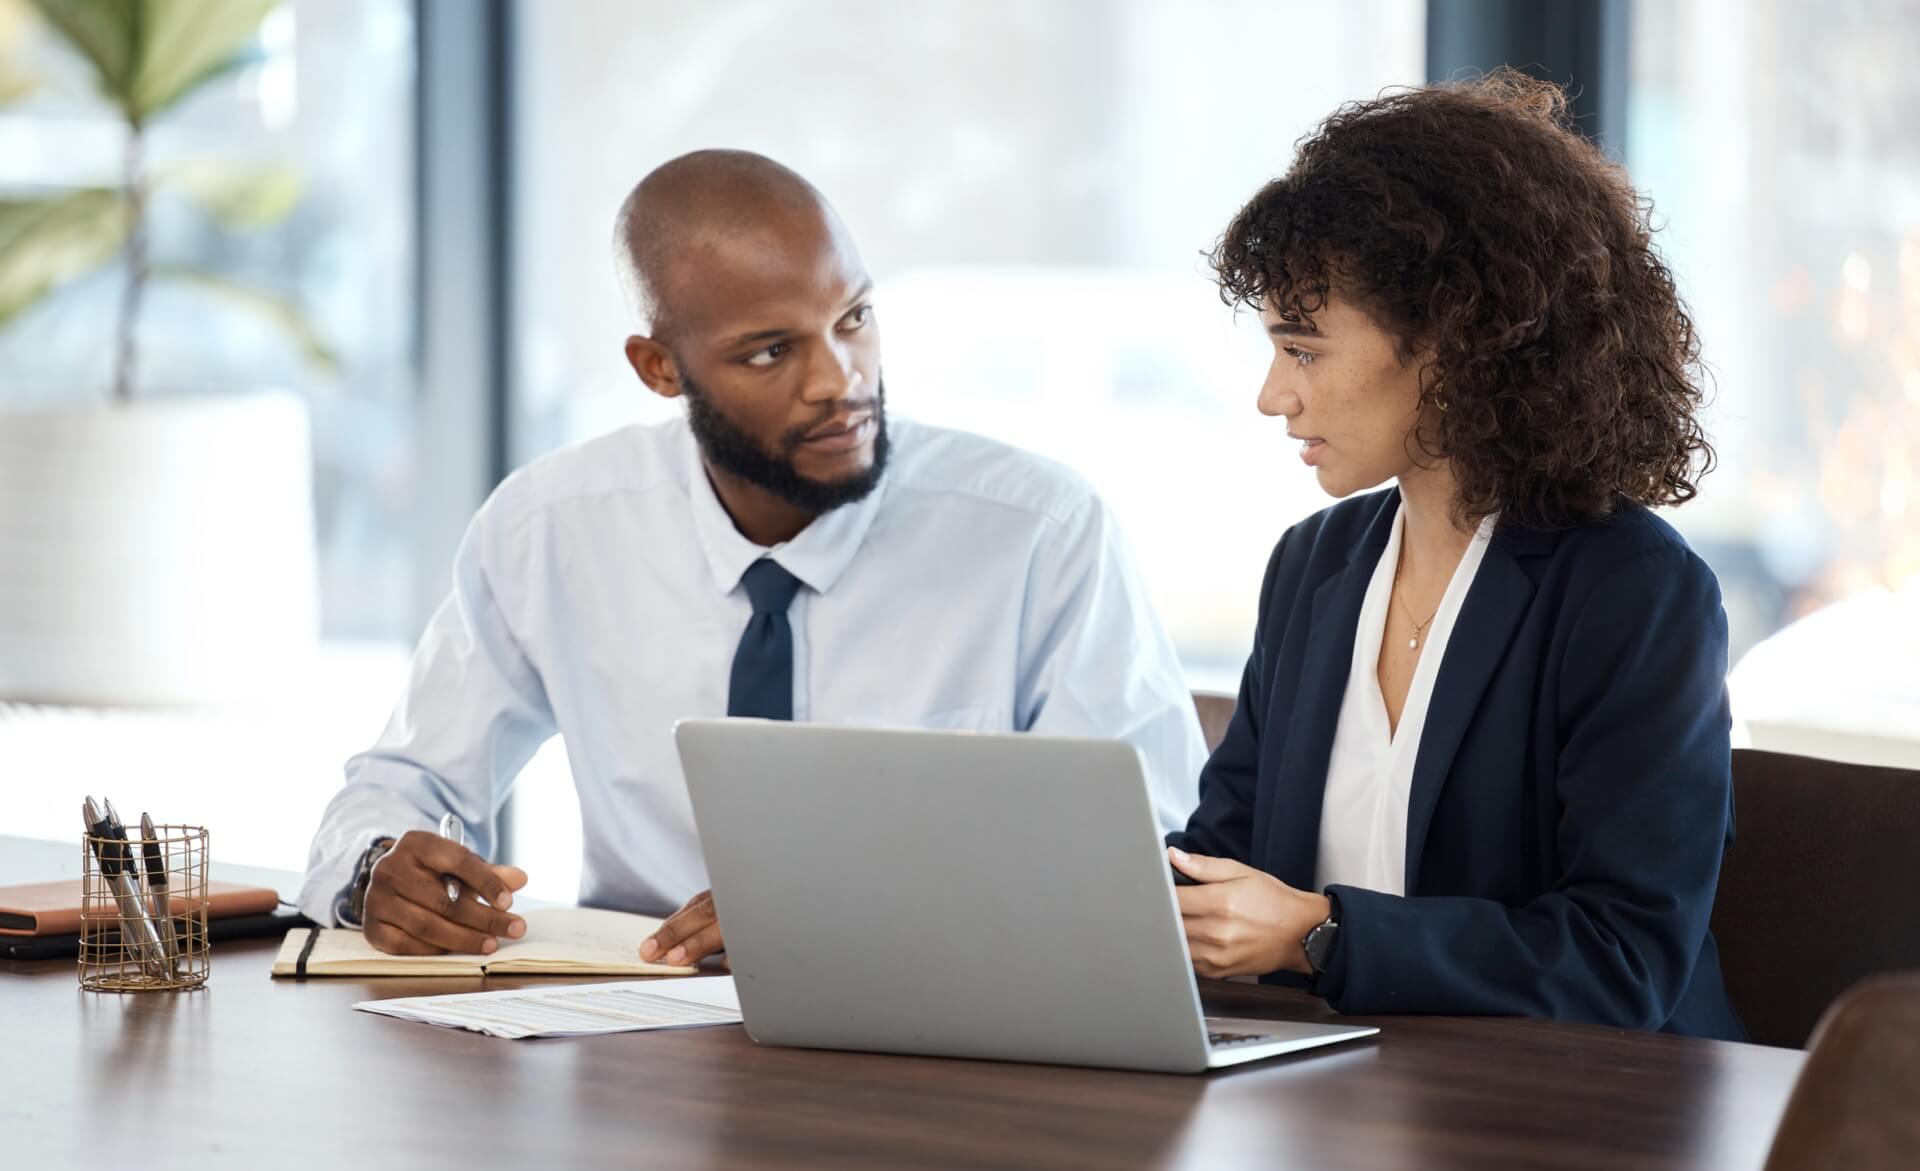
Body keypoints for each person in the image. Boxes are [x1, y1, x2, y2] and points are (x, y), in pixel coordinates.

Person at [298, 150, 1206, 961]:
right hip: (635, 1031)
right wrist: (378, 867)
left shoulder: (1036, 533)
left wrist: (862, 913)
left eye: (853, 318)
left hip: (937, 1024)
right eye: (770, 351)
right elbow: (401, 782)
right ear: (659, 368)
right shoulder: (552, 527)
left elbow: (1144, 856)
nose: (838, 381)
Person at [1166, 71, 1745, 1039]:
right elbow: (1224, 860)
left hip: (1588, 1113)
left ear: (1454, 343)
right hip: (1348, 1095)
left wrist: (1322, 935)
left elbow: (1623, 958)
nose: (1273, 395)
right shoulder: (1315, 567)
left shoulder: (1634, 591)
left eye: (1302, 350)